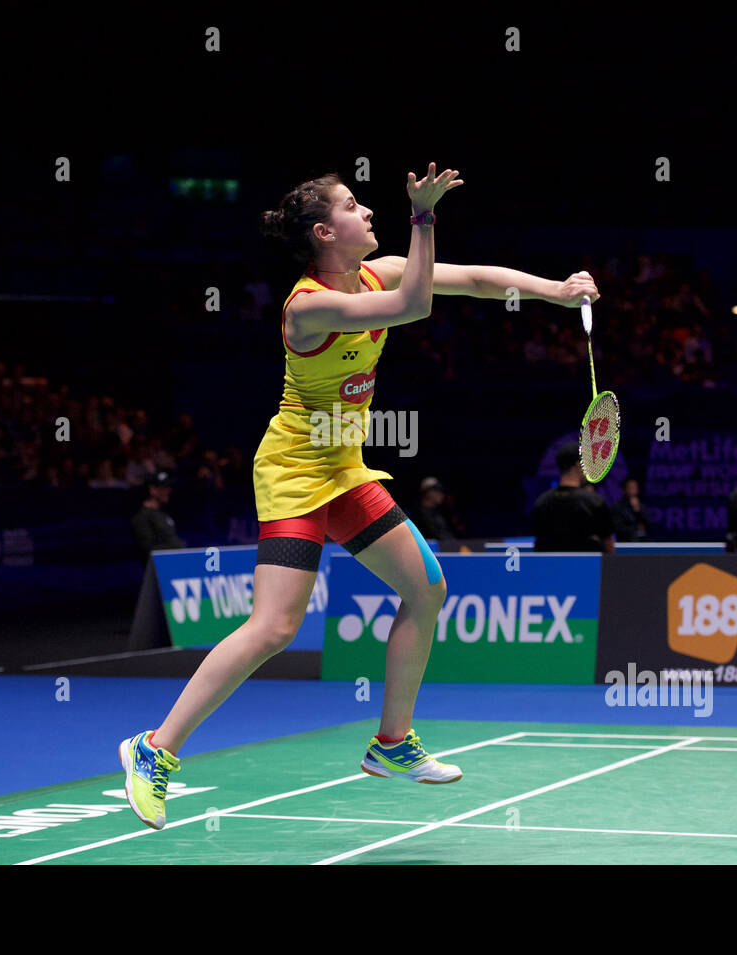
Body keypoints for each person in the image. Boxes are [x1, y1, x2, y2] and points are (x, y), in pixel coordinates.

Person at [118, 164, 602, 830]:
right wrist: (424, 216)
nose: (367, 210)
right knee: (275, 627)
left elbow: (474, 280)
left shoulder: (379, 270)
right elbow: (417, 306)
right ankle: (154, 749)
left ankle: (391, 743)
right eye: (353, 205)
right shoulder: (307, 304)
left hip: (343, 468)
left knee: (427, 586)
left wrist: (557, 288)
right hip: (293, 472)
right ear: (325, 232)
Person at [531, 446, 615, 553]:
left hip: (550, 568)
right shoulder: (594, 502)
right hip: (587, 568)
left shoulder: (541, 502)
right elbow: (609, 549)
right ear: (577, 465)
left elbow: (539, 546)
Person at [129, 471, 185, 556]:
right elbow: (147, 549)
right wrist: (177, 547)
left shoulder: (164, 513)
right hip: (159, 566)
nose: (169, 490)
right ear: (153, 490)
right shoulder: (142, 517)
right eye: (165, 487)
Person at [410, 476, 456, 542]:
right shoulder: (417, 514)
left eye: (442, 491)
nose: (441, 494)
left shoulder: (440, 513)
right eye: (437, 490)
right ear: (428, 492)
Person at [612, 476, 648, 542]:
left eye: (635, 488)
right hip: (626, 543)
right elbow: (617, 528)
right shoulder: (617, 507)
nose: (632, 491)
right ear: (624, 490)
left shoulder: (642, 506)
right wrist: (635, 528)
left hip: (643, 542)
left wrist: (637, 511)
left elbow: (647, 525)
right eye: (630, 488)